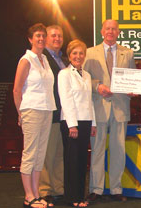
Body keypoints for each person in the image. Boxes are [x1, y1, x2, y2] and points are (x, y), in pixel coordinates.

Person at [83, 19, 136, 203]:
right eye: (108, 28)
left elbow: (133, 78)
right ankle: (96, 189)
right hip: (98, 109)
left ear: (119, 32)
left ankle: (116, 188)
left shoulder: (128, 53)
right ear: (102, 31)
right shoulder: (89, 53)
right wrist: (97, 87)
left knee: (118, 150)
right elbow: (83, 80)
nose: (111, 31)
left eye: (114, 29)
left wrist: (133, 88)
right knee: (97, 150)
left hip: (120, 108)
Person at [13, 23, 56, 208]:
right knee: (29, 154)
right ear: (30, 39)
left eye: (43, 36)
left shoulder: (45, 59)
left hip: (47, 110)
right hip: (31, 109)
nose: (41, 39)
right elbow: (16, 90)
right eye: (37, 36)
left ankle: (36, 193)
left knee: (40, 154)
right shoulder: (26, 60)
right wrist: (20, 113)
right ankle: (28, 196)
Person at [58, 39, 97, 207]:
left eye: (81, 53)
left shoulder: (87, 75)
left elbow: (89, 101)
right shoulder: (64, 74)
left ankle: (80, 196)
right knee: (72, 161)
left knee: (82, 161)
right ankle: (72, 197)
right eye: (75, 53)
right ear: (69, 55)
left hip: (86, 121)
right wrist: (72, 125)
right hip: (70, 122)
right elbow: (66, 100)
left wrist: (93, 123)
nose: (78, 56)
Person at [39, 25, 68, 206]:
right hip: (48, 112)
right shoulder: (41, 58)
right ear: (46, 38)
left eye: (60, 35)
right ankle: (45, 190)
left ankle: (58, 188)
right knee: (47, 154)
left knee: (58, 154)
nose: (57, 38)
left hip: (63, 114)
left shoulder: (62, 59)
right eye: (53, 35)